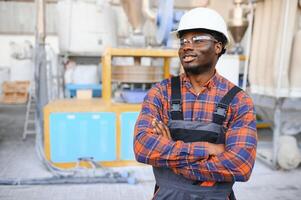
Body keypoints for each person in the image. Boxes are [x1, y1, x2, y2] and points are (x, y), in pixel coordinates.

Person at [133, 7, 257, 200]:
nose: (187, 46)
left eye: (197, 40)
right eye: (183, 41)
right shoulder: (161, 93)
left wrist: (174, 159)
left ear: (218, 46)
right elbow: (143, 147)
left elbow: (240, 165)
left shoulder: (238, 100)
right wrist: (208, 149)